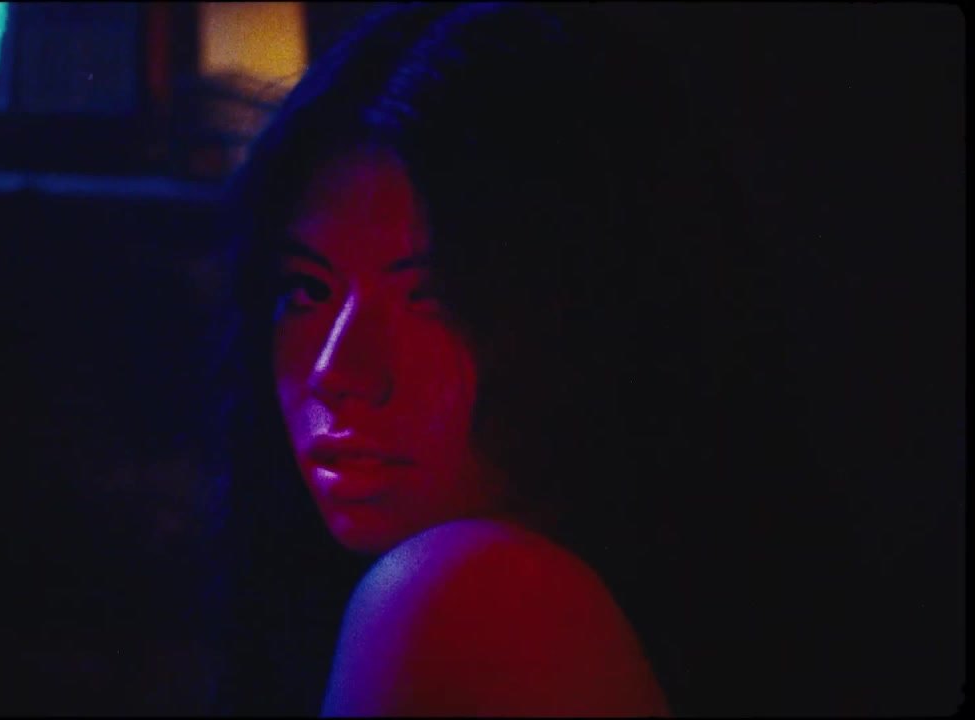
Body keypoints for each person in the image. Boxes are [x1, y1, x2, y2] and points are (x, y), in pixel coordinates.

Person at [194, 2, 763, 715]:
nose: (335, 374)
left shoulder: (463, 591)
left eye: (435, 295)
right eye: (307, 291)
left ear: (585, 314)